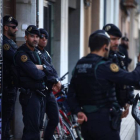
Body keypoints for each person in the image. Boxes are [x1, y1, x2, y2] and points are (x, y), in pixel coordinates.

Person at [67, 30, 140, 140]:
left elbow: (71, 94)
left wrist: (78, 111)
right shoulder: (104, 66)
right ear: (105, 47)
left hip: (86, 122)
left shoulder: (80, 64)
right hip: (104, 123)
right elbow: (132, 79)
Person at [14, 25, 61, 140]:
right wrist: (45, 71)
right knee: (32, 131)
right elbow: (36, 74)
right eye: (32, 36)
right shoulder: (22, 54)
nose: (35, 39)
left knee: (37, 128)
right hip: (30, 95)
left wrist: (42, 67)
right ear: (26, 37)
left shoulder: (38, 53)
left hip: (40, 94)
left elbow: (52, 71)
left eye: (36, 36)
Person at [103, 24, 133, 119]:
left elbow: (124, 77)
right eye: (113, 39)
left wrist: (128, 99)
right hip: (105, 110)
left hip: (117, 109)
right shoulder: (101, 59)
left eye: (118, 39)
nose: (117, 42)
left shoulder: (118, 57)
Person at [36, 28, 59, 140]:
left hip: (49, 91)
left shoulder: (47, 53)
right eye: (41, 37)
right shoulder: (35, 53)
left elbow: (52, 70)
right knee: (38, 123)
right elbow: (43, 71)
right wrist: (53, 79)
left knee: (54, 118)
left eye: (46, 37)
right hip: (39, 92)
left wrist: (56, 80)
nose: (44, 39)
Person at [2, 15, 18, 140]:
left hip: (12, 83)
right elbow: (15, 58)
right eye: (13, 27)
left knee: (9, 113)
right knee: (6, 114)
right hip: (6, 85)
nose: (16, 29)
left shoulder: (11, 42)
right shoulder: (4, 43)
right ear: (6, 27)